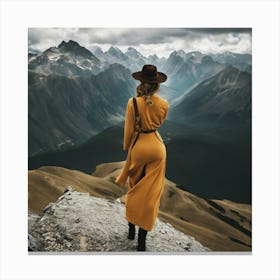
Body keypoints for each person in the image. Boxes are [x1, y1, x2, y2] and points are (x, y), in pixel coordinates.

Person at [114, 64, 169, 251]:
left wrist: (128, 147)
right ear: (157, 84)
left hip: (139, 146)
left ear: (140, 81)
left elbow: (129, 129)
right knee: (151, 193)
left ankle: (131, 229)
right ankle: (142, 239)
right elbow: (158, 123)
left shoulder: (132, 103)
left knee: (134, 188)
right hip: (157, 147)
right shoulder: (164, 104)